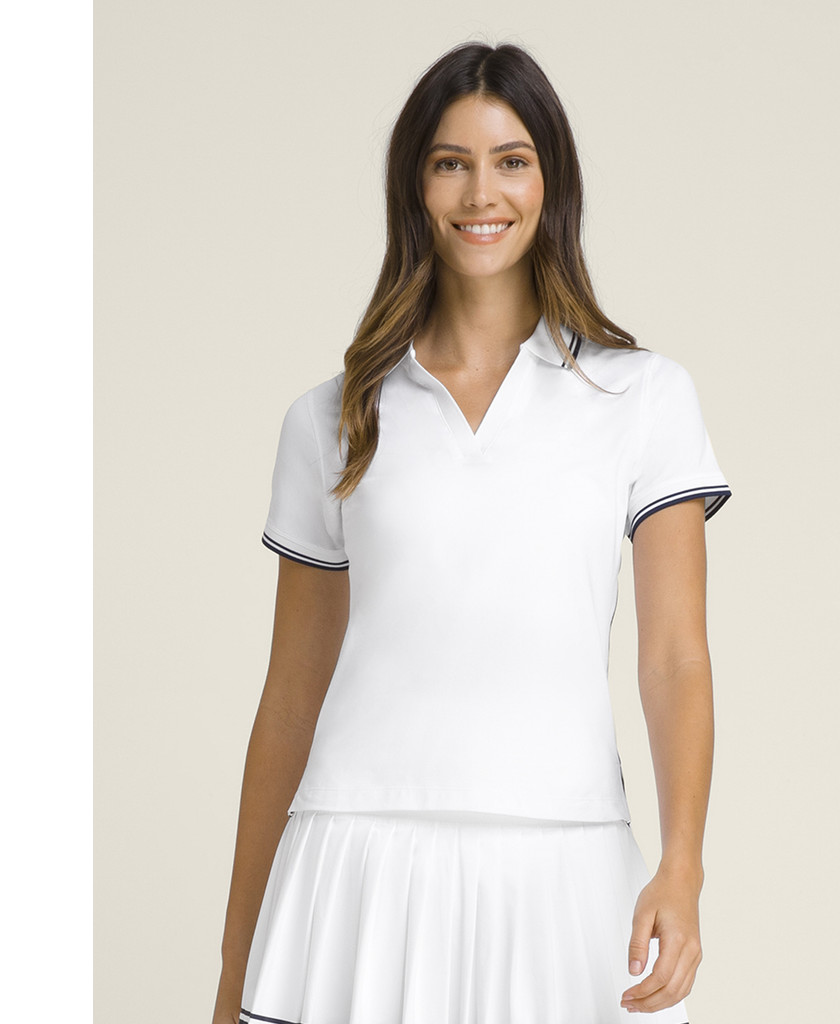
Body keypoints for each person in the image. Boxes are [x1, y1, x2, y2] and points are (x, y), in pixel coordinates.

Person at [212, 41, 732, 1024]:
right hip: (354, 868)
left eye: (511, 160)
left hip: (562, 864)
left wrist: (683, 864)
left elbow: (674, 658)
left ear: (551, 181)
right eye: (450, 162)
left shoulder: (643, 397)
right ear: (414, 186)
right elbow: (289, 698)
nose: (480, 192)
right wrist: (236, 965)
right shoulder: (332, 417)